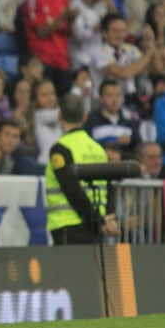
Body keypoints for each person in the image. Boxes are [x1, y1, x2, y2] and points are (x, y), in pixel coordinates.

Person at [45, 94, 120, 245]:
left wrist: (97, 221)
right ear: (85, 117)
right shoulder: (98, 148)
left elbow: (72, 190)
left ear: (60, 115)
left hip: (68, 224)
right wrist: (105, 219)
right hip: (94, 226)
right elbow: (109, 185)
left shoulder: (61, 149)